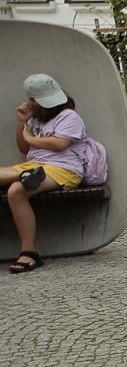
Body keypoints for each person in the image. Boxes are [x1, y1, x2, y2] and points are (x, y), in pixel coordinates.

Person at [7, 73, 107, 273]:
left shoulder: (69, 116)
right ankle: (23, 176)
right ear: (33, 103)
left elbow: (59, 144)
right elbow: (24, 149)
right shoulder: (34, 119)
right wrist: (22, 124)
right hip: (34, 167)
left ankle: (29, 253)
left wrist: (29, 136)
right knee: (22, 183)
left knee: (16, 192)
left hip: (64, 169)